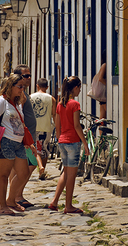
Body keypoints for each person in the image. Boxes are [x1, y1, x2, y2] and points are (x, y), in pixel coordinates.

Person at [0, 74, 37, 216]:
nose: (23, 89)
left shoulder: (16, 103)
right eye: (20, 86)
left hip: (18, 143)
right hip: (6, 142)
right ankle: (3, 206)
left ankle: (11, 200)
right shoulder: (1, 101)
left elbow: (20, 124)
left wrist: (29, 143)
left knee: (23, 173)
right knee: (3, 175)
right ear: (11, 87)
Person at [48, 76, 89, 214]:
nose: (79, 91)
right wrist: (85, 143)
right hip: (72, 142)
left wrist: (60, 139)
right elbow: (77, 126)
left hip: (63, 142)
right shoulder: (74, 104)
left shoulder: (61, 104)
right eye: (79, 88)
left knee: (65, 173)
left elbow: (57, 126)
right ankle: (69, 206)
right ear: (75, 88)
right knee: (71, 176)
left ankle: (54, 202)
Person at [9, 64, 37, 208]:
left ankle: (15, 195)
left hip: (26, 136)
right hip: (24, 138)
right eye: (26, 76)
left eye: (29, 75)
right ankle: (17, 195)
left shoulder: (23, 93)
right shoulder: (20, 95)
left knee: (21, 167)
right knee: (29, 165)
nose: (29, 78)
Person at [31, 78, 56, 180]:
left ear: (37, 86)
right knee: (45, 150)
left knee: (37, 149)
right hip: (46, 128)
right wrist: (57, 128)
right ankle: (42, 169)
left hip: (34, 127)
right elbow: (54, 115)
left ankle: (40, 168)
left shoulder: (30, 97)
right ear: (47, 87)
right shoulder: (52, 99)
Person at [98, 50, 107, 120]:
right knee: (103, 118)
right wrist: (107, 84)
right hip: (105, 95)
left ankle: (101, 131)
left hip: (102, 96)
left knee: (102, 118)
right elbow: (100, 78)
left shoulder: (103, 65)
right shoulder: (105, 65)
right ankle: (102, 131)